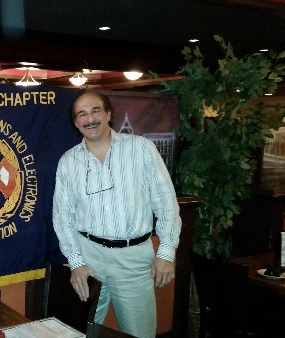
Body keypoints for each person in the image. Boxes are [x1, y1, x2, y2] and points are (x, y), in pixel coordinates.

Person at [52, 90, 181, 338]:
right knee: (79, 332)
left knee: (139, 334)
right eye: (82, 114)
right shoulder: (68, 162)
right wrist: (76, 263)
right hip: (89, 258)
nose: (90, 119)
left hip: (133, 259)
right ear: (76, 123)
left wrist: (166, 252)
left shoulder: (142, 149)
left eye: (95, 110)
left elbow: (166, 203)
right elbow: (62, 216)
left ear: (109, 114)